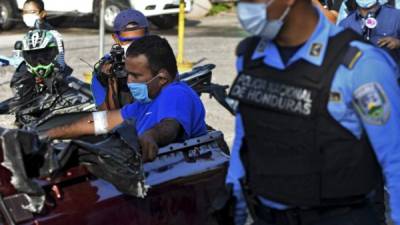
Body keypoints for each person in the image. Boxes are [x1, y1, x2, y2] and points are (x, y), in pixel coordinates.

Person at [226, 0, 400, 225]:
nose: (244, 9)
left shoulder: (361, 64)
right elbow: (244, 140)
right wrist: (232, 211)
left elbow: (395, 161)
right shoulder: (251, 58)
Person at [44, 35, 207, 162]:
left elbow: (170, 125)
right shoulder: (144, 104)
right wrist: (50, 133)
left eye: (136, 75)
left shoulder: (176, 93)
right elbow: (102, 121)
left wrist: (151, 136)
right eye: (128, 74)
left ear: (162, 78)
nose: (129, 81)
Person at [8, 29, 78, 127]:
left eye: (45, 56)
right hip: (35, 127)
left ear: (55, 53)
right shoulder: (23, 75)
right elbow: (17, 102)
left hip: (64, 121)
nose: (40, 62)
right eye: (34, 57)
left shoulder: (61, 73)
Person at [91, 9, 149, 110]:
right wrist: (112, 82)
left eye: (139, 40)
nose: (133, 45)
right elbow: (106, 115)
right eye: (127, 40)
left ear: (147, 36)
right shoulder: (104, 70)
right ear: (116, 38)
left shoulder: (160, 60)